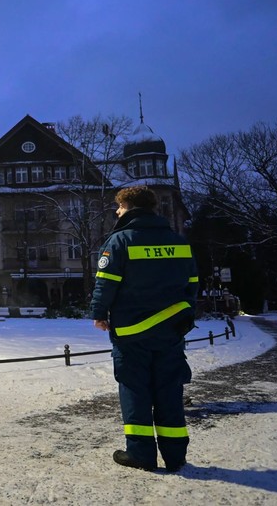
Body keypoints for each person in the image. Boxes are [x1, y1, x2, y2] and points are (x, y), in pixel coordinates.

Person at [90, 186, 198, 472]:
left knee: (134, 388)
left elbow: (106, 283)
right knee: (169, 389)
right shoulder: (178, 241)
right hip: (171, 331)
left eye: (120, 207)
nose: (117, 212)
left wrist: (99, 314)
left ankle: (140, 454)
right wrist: (185, 315)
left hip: (131, 332)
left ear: (130, 207)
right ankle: (176, 456)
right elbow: (192, 284)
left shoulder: (120, 241)